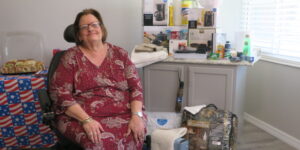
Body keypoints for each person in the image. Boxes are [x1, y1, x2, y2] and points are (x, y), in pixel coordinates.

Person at [49, 8, 146, 150]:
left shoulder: (120, 54)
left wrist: (136, 116)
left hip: (124, 113)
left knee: (135, 135)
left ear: (102, 29)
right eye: (84, 26)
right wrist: (86, 120)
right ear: (79, 35)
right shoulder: (70, 58)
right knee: (97, 142)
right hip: (81, 115)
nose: (91, 29)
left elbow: (135, 88)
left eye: (95, 24)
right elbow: (60, 93)